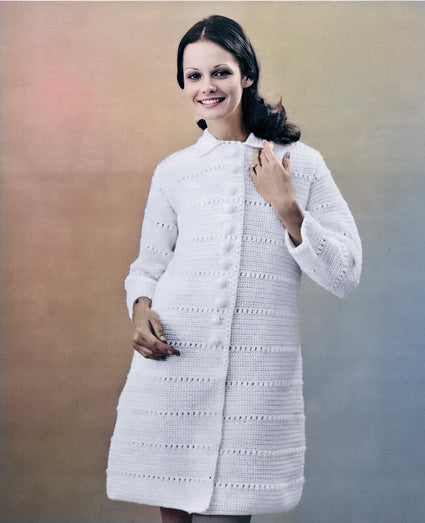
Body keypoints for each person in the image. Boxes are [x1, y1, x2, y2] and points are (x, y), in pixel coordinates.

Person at [106, 14, 362, 523]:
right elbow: (150, 264)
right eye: (194, 75)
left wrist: (287, 207)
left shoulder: (300, 163)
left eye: (220, 72)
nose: (207, 86)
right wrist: (140, 311)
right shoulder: (175, 171)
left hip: (253, 379)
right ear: (183, 84)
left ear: (246, 74)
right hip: (174, 364)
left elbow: (345, 272)